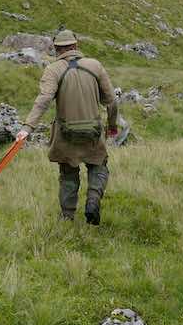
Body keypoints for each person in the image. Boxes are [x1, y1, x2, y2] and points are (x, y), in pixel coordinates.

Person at [16, 29, 118, 224]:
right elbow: (112, 101)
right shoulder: (95, 66)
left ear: (57, 49)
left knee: (68, 174)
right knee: (98, 165)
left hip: (66, 134)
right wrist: (111, 126)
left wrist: (27, 128)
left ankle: (67, 217)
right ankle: (93, 199)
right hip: (94, 133)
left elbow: (43, 100)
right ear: (75, 46)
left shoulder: (53, 70)